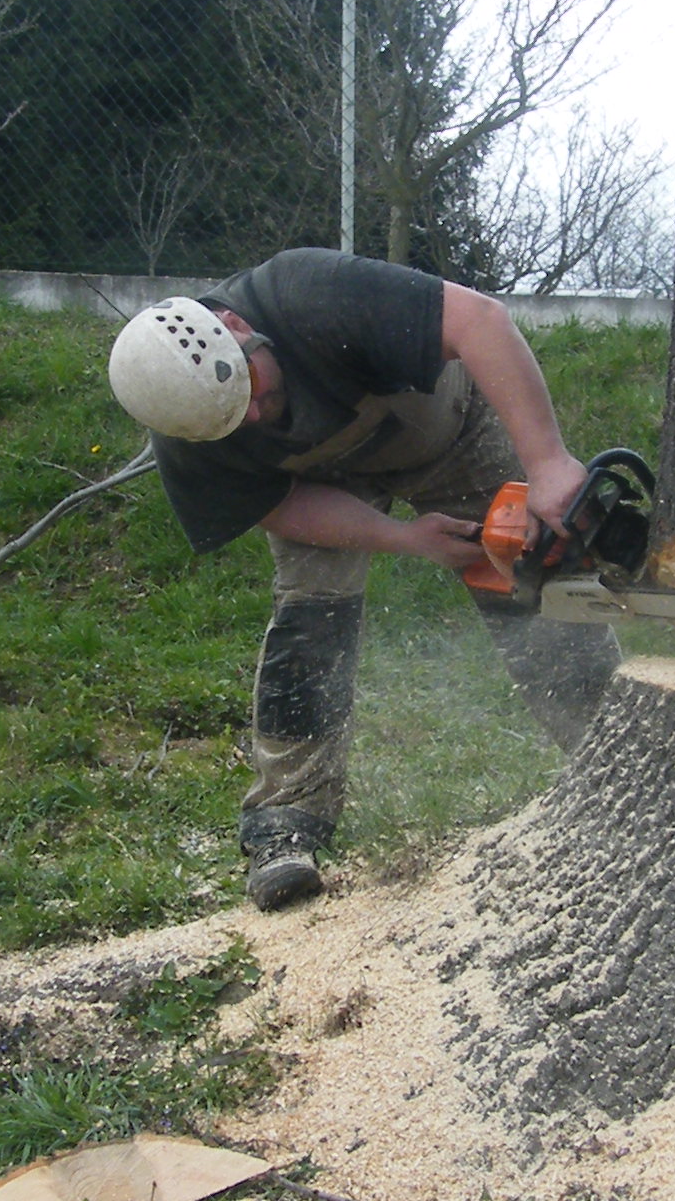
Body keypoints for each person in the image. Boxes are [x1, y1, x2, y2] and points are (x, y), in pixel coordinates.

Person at [107, 249, 621, 909]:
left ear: (235, 326)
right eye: (238, 416)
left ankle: (614, 759)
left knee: (534, 575)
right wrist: (403, 539)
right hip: (317, 483)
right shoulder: (184, 421)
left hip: (447, 429)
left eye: (255, 391)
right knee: (310, 618)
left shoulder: (309, 294)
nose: (257, 416)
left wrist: (547, 462)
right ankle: (284, 824)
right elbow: (276, 505)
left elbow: (481, 321)